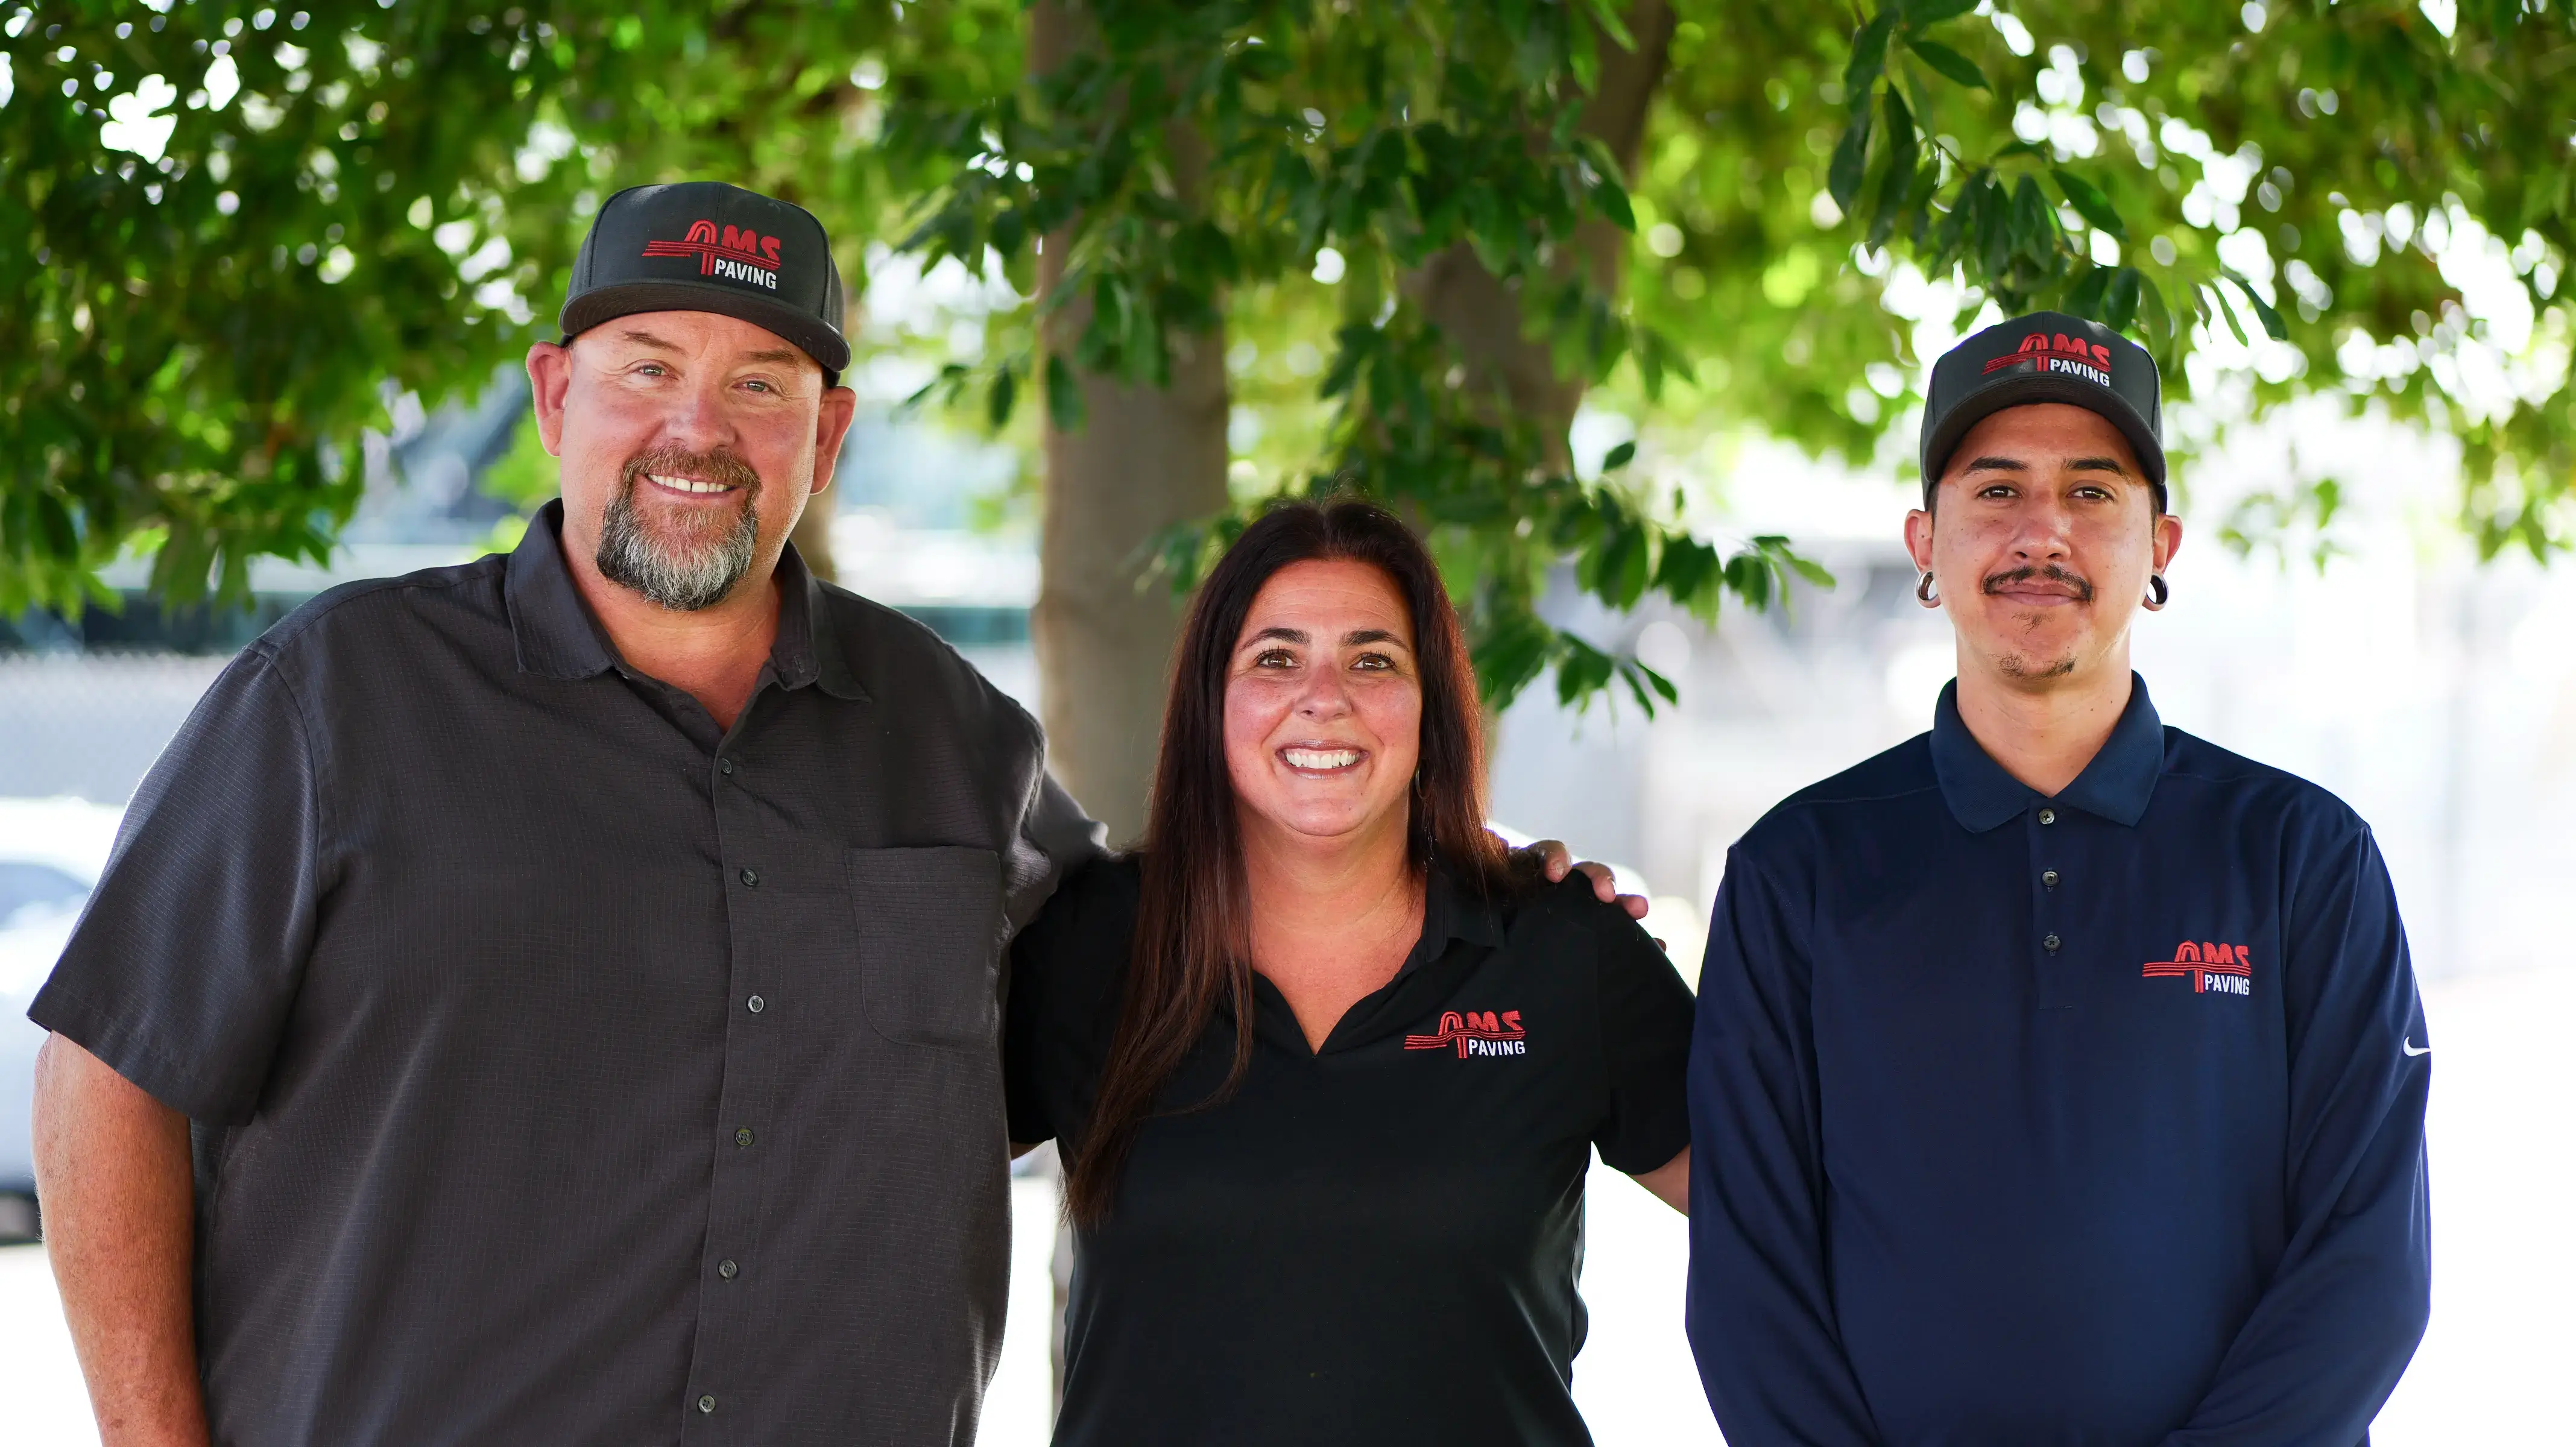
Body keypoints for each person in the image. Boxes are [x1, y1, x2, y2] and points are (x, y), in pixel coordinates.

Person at [29, 180, 1633, 1447]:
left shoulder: (947, 734)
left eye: (760, 382)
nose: (695, 432)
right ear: (553, 391)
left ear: (830, 430)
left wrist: (1483, 908)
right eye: (646, 369)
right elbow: (110, 1073)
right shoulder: (339, 697)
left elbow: (1197, 965)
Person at [1683, 312, 2432, 1445]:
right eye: (1996, 492)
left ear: (2160, 545)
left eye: (2092, 492)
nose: (2043, 533)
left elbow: (2368, 1265)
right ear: (1924, 541)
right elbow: (1750, 1284)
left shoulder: (2301, 857)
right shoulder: (1800, 872)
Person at [1003, 500, 1695, 1446]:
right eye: (1275, 658)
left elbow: (1802, 1222)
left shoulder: (1563, 952)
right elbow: (855, 1183)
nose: (1323, 696)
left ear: (1433, 709)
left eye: (1374, 660)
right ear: (1213, 701)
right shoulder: (1091, 947)